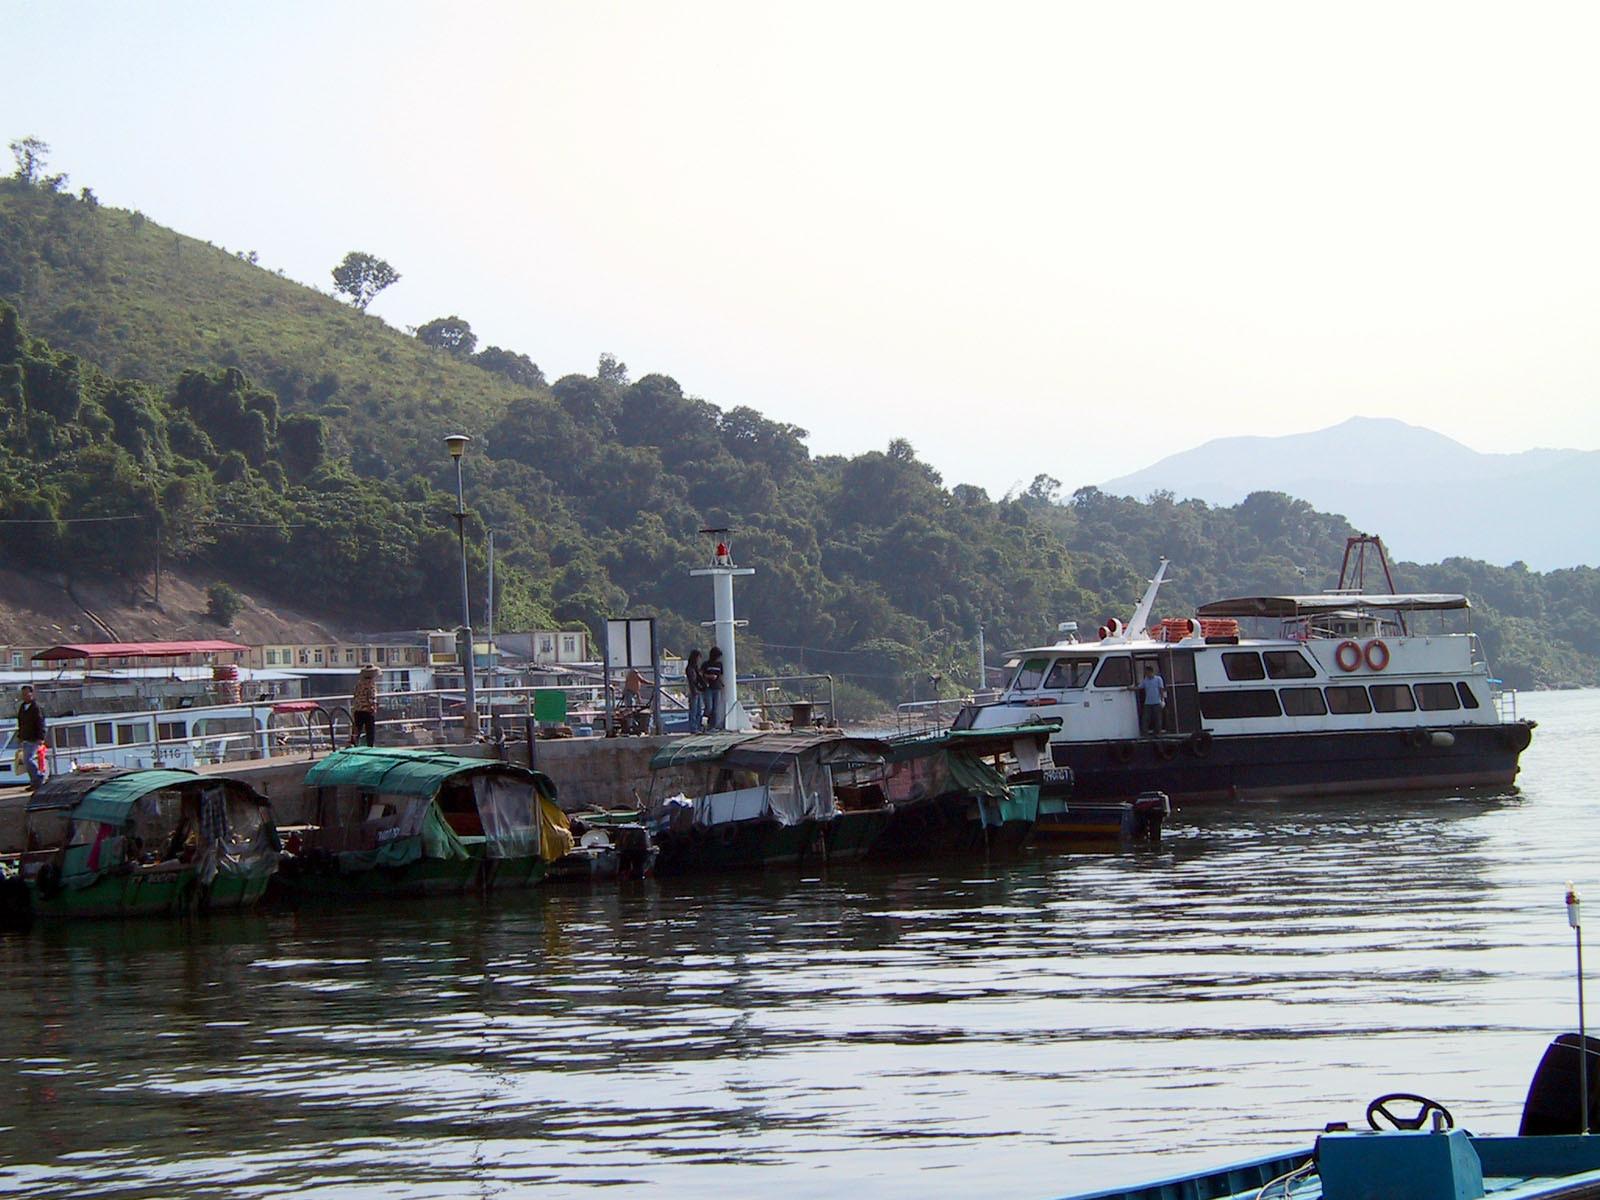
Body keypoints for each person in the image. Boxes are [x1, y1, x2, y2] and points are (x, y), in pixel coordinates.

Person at [15, 685, 46, 788]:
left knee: (28, 760)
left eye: (27, 693)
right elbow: (20, 723)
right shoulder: (22, 707)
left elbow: (40, 722)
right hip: (25, 737)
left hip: (34, 737)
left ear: (32, 693)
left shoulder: (36, 708)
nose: (25, 696)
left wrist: (41, 737)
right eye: (23, 694)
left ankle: (38, 777)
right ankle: (34, 782)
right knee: (26, 760)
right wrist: (20, 736)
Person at [350, 665, 380, 747]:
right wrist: (373, 708)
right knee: (370, 730)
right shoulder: (371, 684)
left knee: (357, 729)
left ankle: (353, 744)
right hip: (367, 710)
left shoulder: (359, 683)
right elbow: (371, 697)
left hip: (358, 708)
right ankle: (370, 746)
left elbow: (355, 695)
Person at [700, 647, 725, 729]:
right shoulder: (705, 664)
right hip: (708, 688)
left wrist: (722, 685)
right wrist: (709, 676)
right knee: (708, 708)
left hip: (717, 687)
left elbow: (720, 676)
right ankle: (703, 724)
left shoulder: (719, 665)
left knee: (715, 709)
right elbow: (701, 675)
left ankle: (712, 726)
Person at [1138, 663, 1166, 737]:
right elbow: (1139, 687)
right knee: (1145, 719)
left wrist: (1162, 700)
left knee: (1157, 719)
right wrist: (1128, 688)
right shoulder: (1145, 680)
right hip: (1148, 703)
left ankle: (1158, 734)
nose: (1146, 674)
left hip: (1157, 702)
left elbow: (1161, 690)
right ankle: (1145, 734)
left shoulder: (1158, 679)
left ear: (1151, 672)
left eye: (1146, 672)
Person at [685, 649, 706, 733]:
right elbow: (692, 681)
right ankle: (693, 728)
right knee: (693, 710)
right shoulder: (690, 668)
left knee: (698, 710)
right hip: (693, 691)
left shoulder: (695, 668)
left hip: (697, 691)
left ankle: (697, 727)